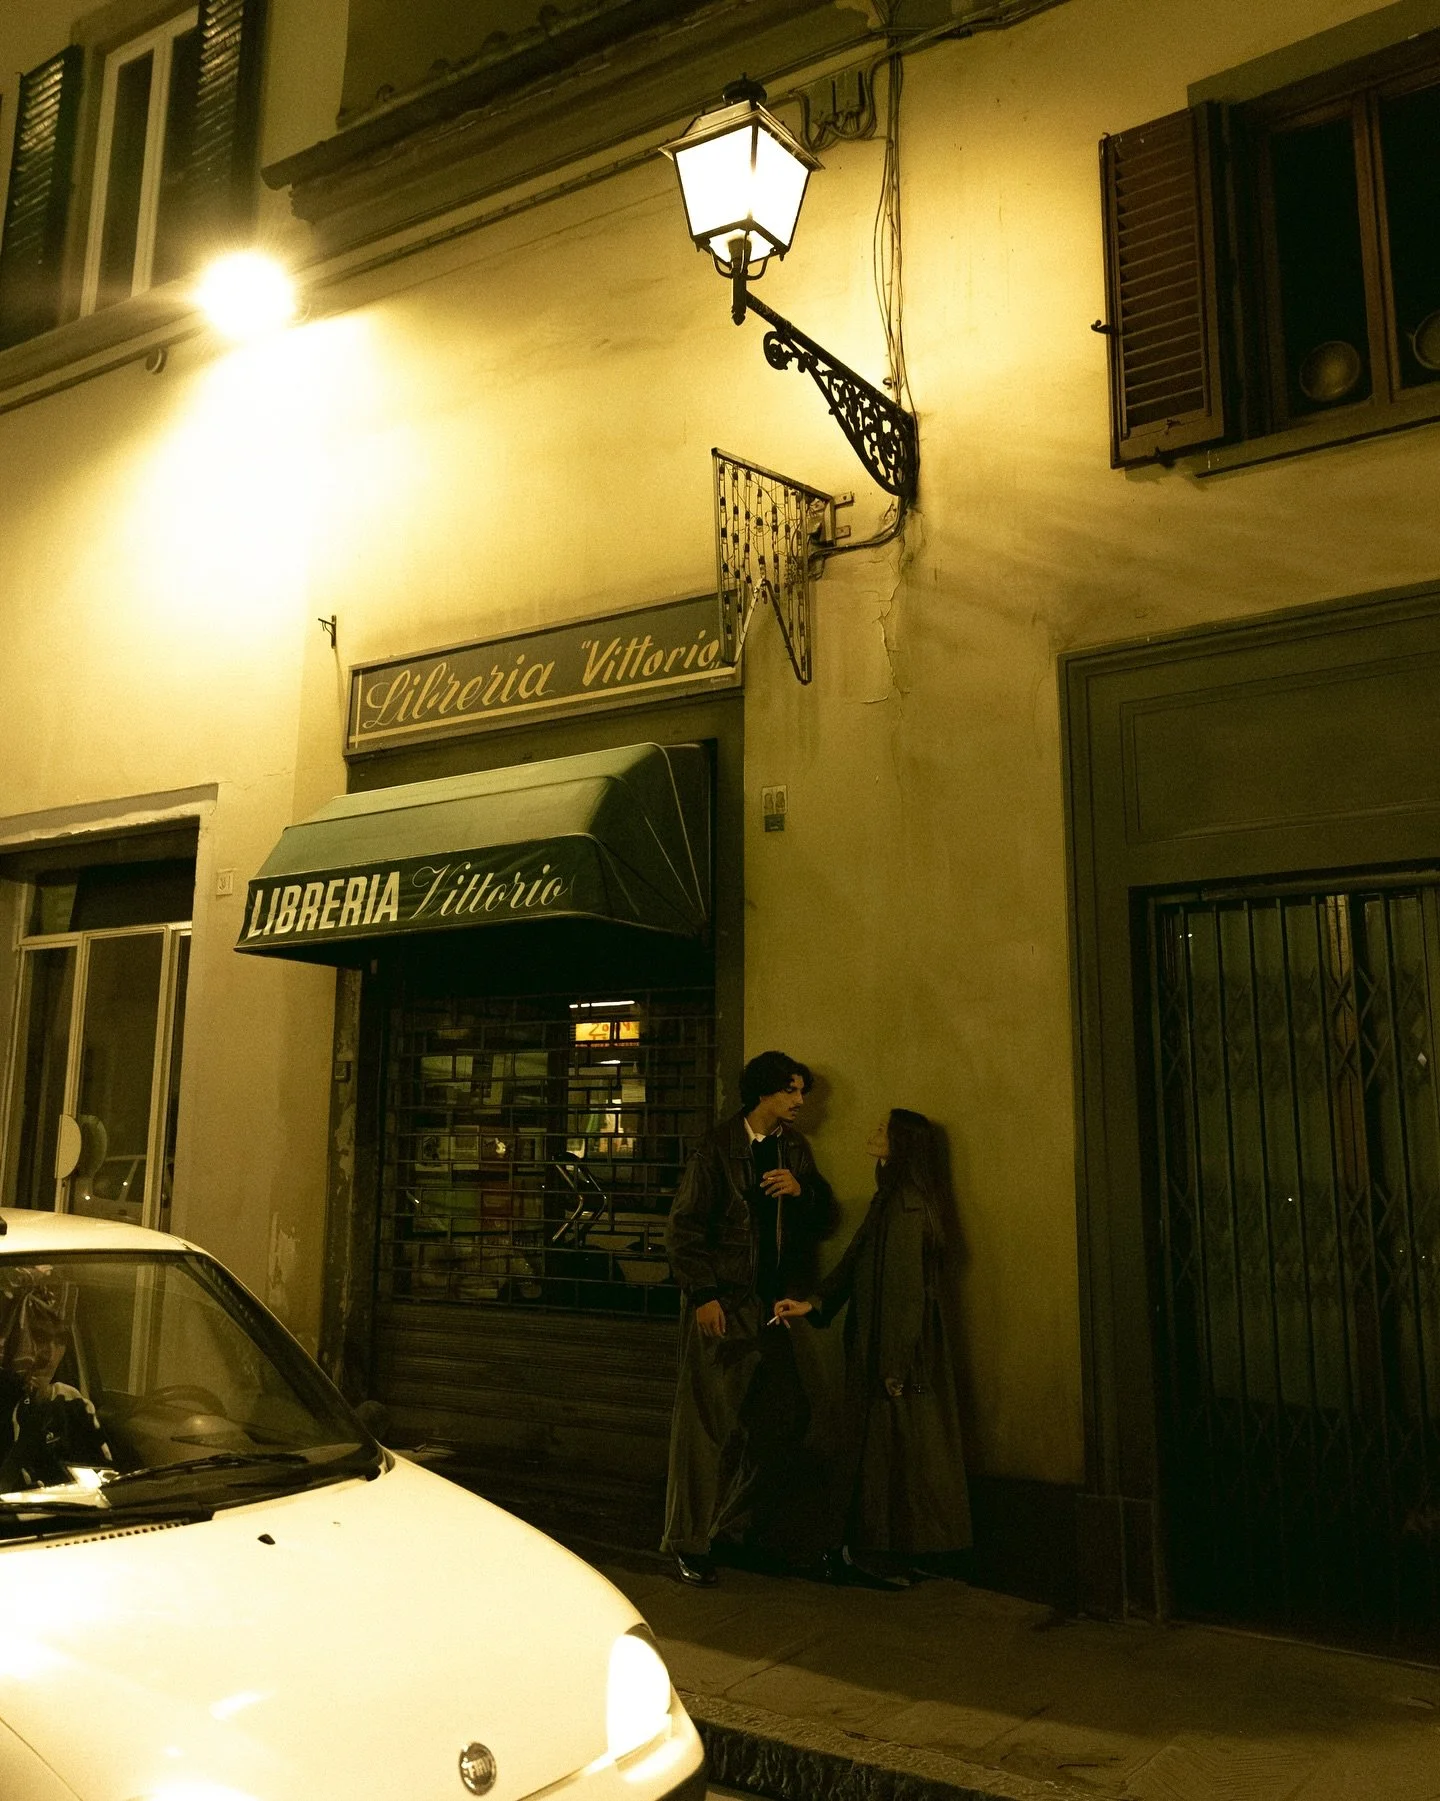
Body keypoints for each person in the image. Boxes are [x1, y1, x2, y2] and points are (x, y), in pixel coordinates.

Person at [774, 1108, 971, 1582]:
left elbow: (905, 1295)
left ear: (902, 1144)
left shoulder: (905, 1204)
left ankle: (877, 1553)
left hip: (891, 1348)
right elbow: (856, 1258)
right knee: (886, 1451)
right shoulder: (892, 1197)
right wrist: (814, 1304)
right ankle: (881, 1552)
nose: (874, 1134)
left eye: (883, 1130)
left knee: (886, 1453)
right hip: (886, 1344)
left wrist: (896, 1365)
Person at [661, 1050, 830, 1585]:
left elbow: (822, 1218)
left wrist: (803, 1191)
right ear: (764, 1093)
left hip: (771, 1311)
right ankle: (689, 1542)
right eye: (791, 1091)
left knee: (784, 1419)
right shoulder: (717, 1148)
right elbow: (684, 1228)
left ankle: (731, 1529)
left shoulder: (794, 1150)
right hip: (725, 1307)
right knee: (704, 1430)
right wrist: (704, 1294)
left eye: (802, 1092)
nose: (800, 1101)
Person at [0, 1266, 111, 1494]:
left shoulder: (72, 1403)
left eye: (60, 1339)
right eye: (39, 1337)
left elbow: (108, 1481)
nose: (49, 1355)